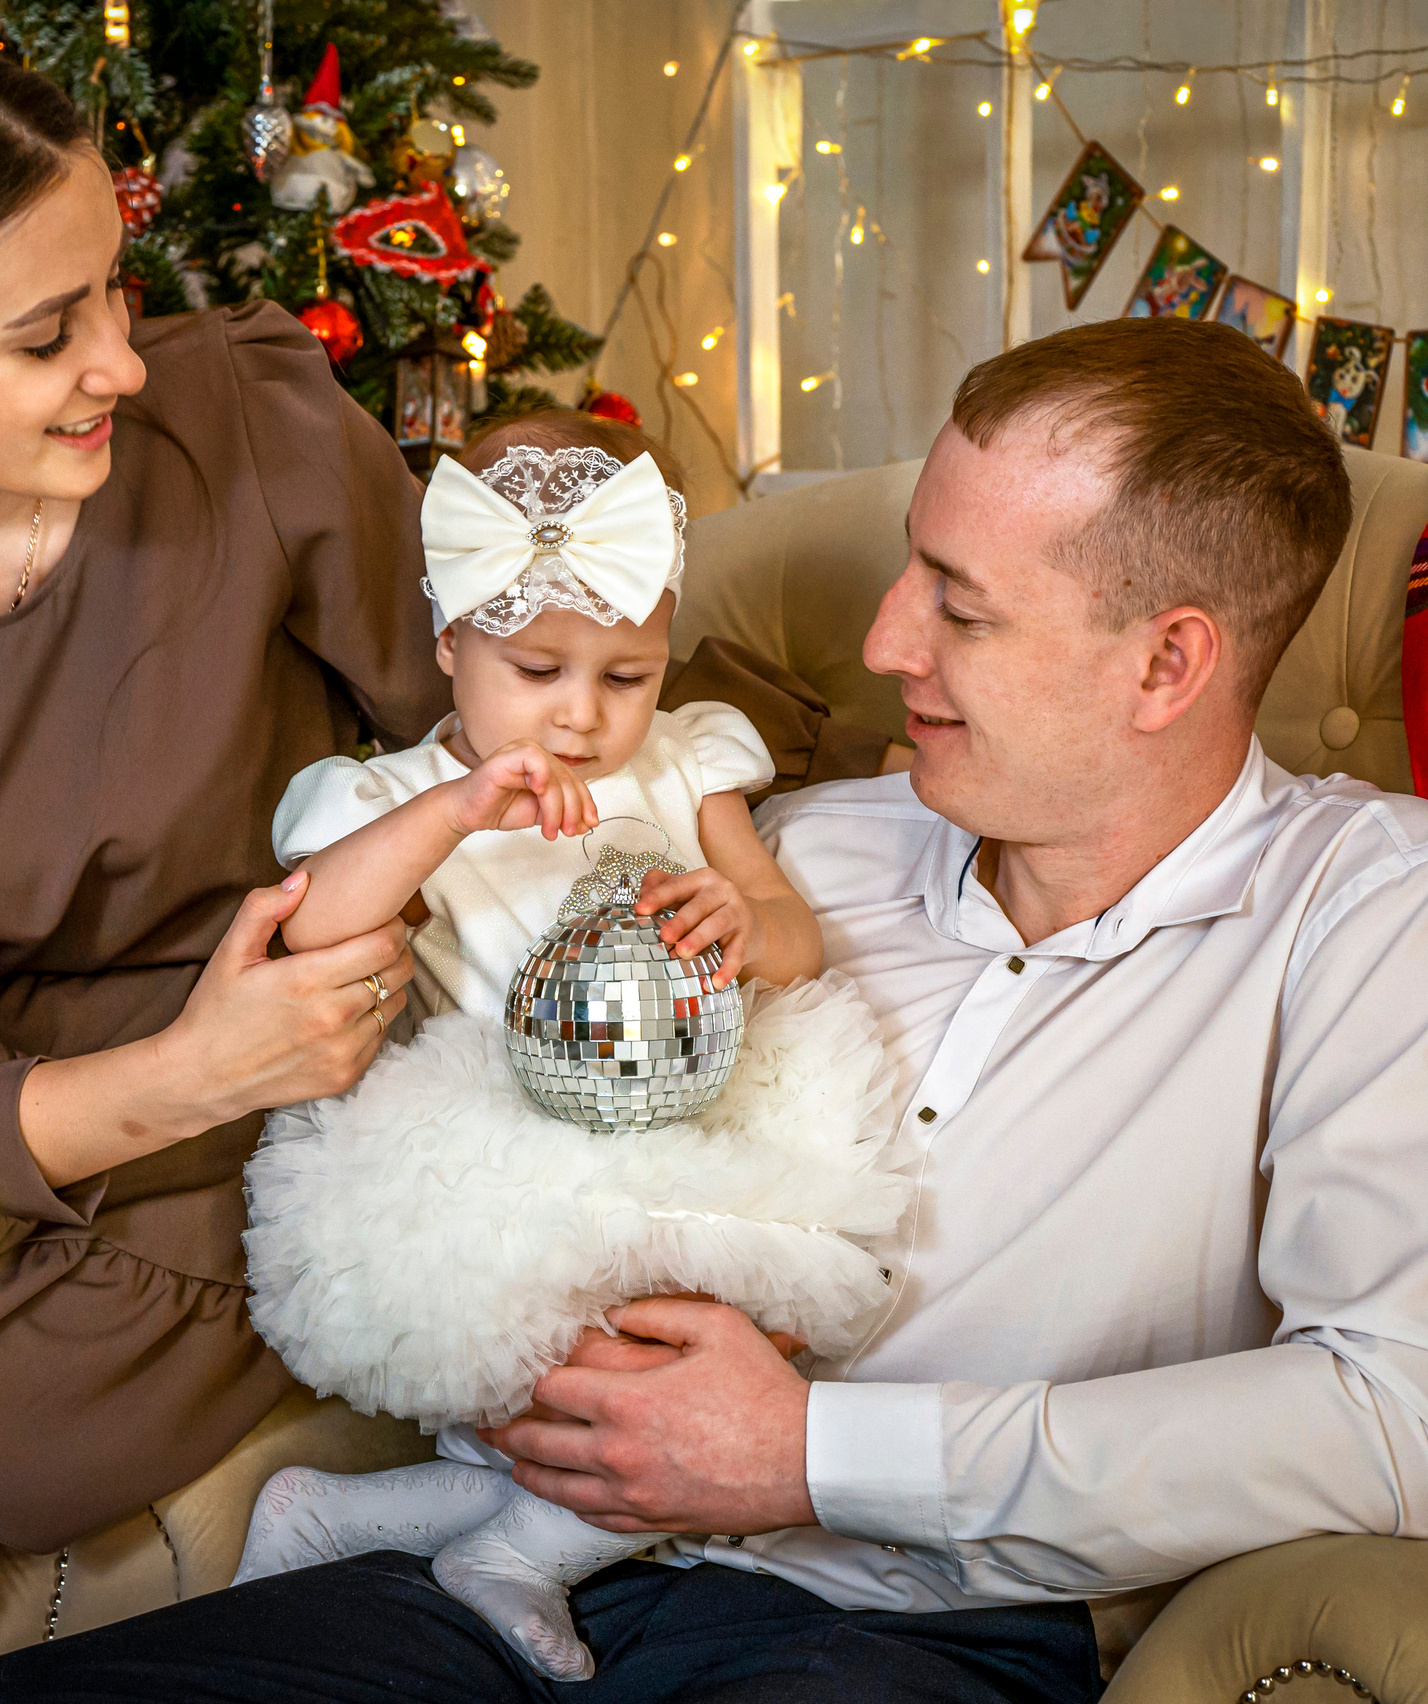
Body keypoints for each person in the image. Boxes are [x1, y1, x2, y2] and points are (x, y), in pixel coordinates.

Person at [0, 315, 1428, 1703]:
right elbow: (506, 1099)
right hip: (487, 1573)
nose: (881, 637)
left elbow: (1407, 1416)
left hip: (912, 1629)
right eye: (910, 563)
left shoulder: (1387, 909)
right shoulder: (801, 846)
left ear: (1166, 663)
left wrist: (810, 1448)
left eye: (959, 604)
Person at [0, 15, 893, 1701]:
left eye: (114, 289)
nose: (120, 356)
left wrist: (747, 859)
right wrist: (168, 1069)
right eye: (49, 333)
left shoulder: (243, 436)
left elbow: (517, 721)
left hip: (257, 1131)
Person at [227, 415, 906, 1681]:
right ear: (448, 646)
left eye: (626, 674)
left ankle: (385, 1523)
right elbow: (314, 919)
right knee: (593, 1372)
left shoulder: (685, 765)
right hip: (495, 1134)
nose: (586, 717)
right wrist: (455, 809)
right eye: (537, 671)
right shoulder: (389, 803)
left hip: (684, 1114)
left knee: (729, 1353)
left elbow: (794, 937)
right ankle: (507, 1548)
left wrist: (742, 921)